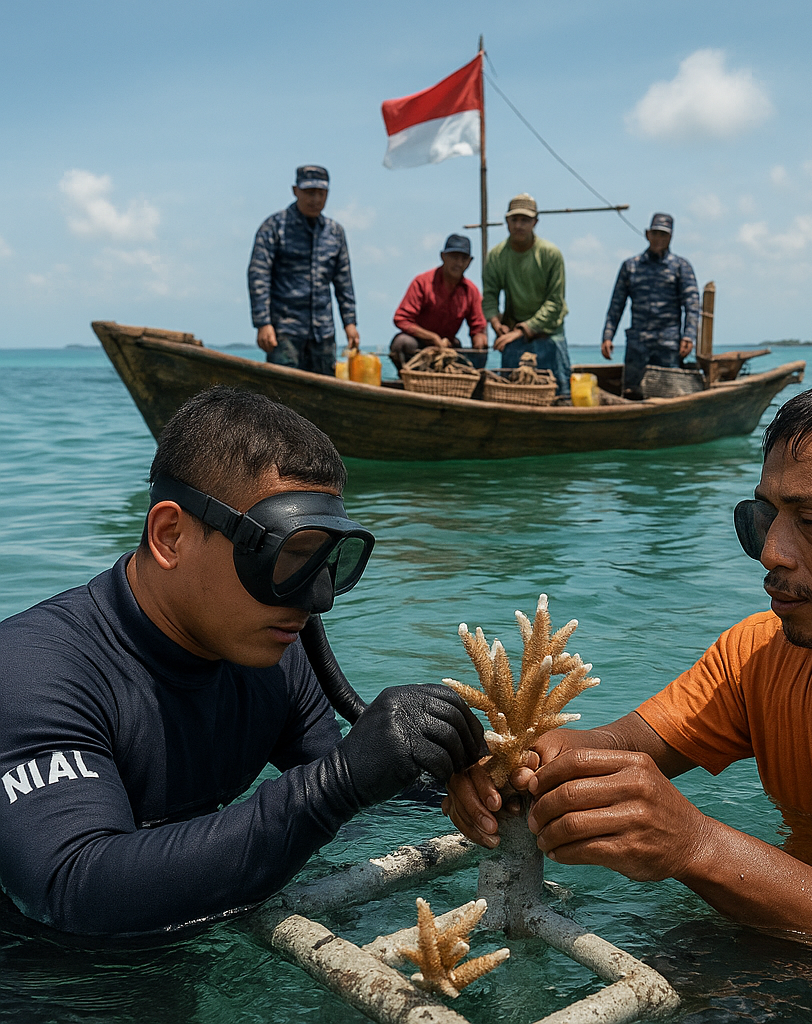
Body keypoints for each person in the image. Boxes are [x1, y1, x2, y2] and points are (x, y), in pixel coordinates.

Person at [445, 365, 812, 941]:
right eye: (764, 518)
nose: (771, 552)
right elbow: (614, 745)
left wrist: (697, 846)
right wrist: (513, 765)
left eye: (811, 520)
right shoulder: (761, 651)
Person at [0, 387, 485, 938]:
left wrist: (499, 778)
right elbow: (73, 888)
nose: (317, 599)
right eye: (288, 559)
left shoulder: (276, 656)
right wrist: (337, 782)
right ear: (170, 536)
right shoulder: (28, 673)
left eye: (329, 562)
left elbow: (364, 793)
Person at [247, 165, 360, 376]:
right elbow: (258, 276)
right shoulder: (274, 227)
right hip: (284, 332)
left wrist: (350, 323)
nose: (315, 199)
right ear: (295, 190)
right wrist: (263, 323)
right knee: (282, 392)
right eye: (309, 192)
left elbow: (343, 281)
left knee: (324, 390)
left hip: (323, 333)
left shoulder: (335, 232)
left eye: (321, 193)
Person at [601, 213, 700, 399]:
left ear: (670, 237)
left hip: (668, 345)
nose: (658, 238)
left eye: (663, 234)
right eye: (655, 233)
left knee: (671, 396)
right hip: (638, 346)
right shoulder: (631, 266)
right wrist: (607, 336)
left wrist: (689, 335)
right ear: (647, 234)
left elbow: (692, 304)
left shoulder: (681, 267)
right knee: (632, 395)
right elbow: (616, 304)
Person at [482, 193, 572, 399]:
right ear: (507, 222)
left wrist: (522, 330)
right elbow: (489, 296)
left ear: (535, 222)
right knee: (511, 397)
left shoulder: (550, 254)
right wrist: (496, 324)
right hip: (513, 334)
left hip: (549, 333)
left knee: (561, 397)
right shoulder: (496, 256)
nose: (519, 225)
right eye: (514, 219)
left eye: (525, 220)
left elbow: (555, 303)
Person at [389, 234, 489, 371]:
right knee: (402, 343)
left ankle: (467, 381)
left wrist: (479, 339)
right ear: (443, 256)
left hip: (448, 347)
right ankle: (410, 377)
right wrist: (432, 338)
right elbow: (401, 318)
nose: (459, 263)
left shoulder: (471, 291)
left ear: (470, 261)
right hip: (419, 345)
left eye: (463, 259)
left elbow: (478, 326)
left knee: (481, 350)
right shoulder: (423, 282)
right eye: (454, 257)